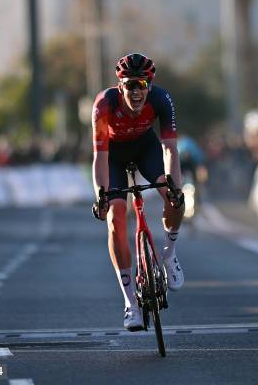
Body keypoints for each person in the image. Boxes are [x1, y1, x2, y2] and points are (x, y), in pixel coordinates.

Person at [91, 53, 185, 331]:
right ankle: (130, 302)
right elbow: (99, 156)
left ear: (150, 86)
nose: (136, 92)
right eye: (130, 85)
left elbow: (169, 148)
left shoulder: (161, 99)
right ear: (120, 86)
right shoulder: (103, 105)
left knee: (175, 196)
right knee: (116, 217)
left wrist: (175, 188)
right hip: (113, 155)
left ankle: (169, 255)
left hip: (147, 148)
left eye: (141, 85)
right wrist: (101, 195)